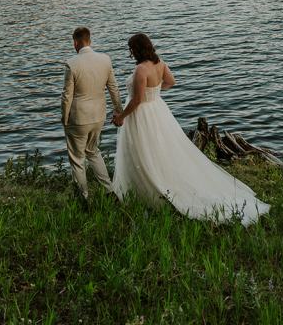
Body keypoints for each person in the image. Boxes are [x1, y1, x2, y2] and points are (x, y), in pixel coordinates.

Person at [111, 32, 269, 225]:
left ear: (137, 49)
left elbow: (136, 100)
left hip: (142, 115)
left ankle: (148, 190)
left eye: (131, 49)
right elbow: (171, 82)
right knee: (160, 149)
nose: (131, 53)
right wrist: (155, 93)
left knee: (143, 151)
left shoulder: (141, 71)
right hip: (157, 110)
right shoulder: (160, 64)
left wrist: (121, 117)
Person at [61, 26, 123, 202]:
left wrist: (64, 117)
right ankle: (110, 191)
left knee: (77, 158)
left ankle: (83, 198)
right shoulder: (105, 60)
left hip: (78, 118)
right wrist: (118, 110)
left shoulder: (72, 63)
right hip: (98, 116)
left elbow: (67, 95)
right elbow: (113, 88)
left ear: (75, 42)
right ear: (90, 40)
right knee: (93, 151)